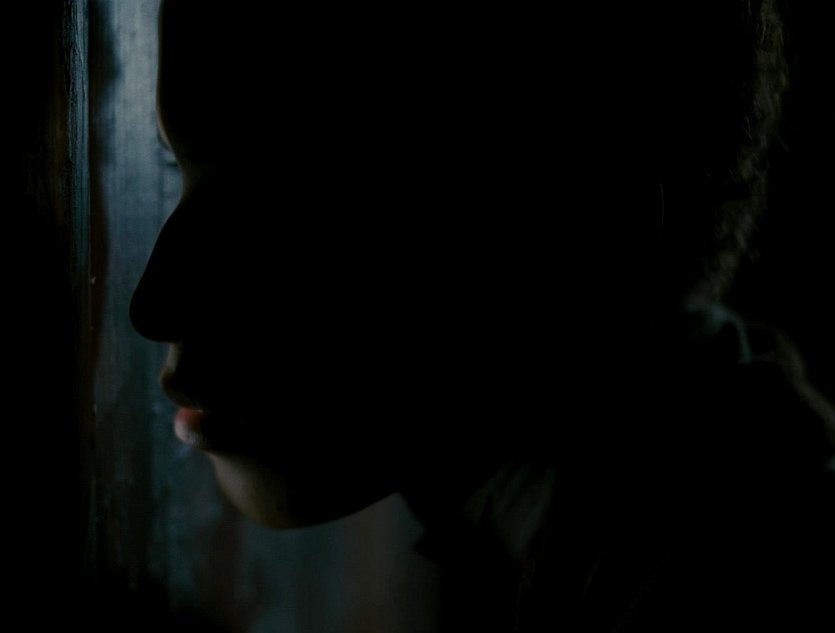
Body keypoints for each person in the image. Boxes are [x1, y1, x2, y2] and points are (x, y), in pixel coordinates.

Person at [131, 1, 835, 630]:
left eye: (282, 205)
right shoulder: (691, 499)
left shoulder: (730, 580)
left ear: (585, 224)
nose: (156, 304)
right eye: (173, 171)